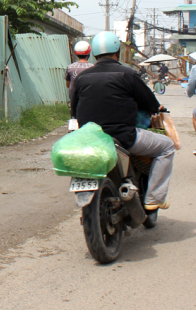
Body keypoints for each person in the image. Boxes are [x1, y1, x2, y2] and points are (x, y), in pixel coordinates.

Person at [71, 31, 176, 211]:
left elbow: (74, 110)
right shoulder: (128, 74)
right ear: (117, 52)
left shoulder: (81, 78)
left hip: (90, 140)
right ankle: (153, 198)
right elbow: (151, 104)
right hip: (124, 137)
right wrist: (156, 108)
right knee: (167, 146)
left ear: (94, 54)